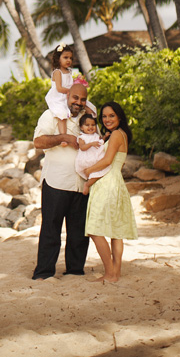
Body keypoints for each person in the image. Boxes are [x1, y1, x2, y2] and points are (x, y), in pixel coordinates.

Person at [32, 81, 90, 280]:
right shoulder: (51, 115)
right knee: (51, 229)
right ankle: (44, 272)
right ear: (67, 97)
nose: (78, 102)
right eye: (75, 98)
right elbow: (38, 142)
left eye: (83, 99)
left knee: (79, 231)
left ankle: (75, 271)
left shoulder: (88, 120)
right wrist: (62, 137)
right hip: (56, 181)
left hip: (81, 184)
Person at [83, 102, 138, 283]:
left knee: (94, 229)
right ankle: (115, 273)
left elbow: (107, 161)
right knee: (116, 231)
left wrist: (88, 170)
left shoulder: (115, 135)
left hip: (107, 183)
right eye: (104, 116)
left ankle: (109, 273)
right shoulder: (121, 134)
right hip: (116, 183)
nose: (107, 119)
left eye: (111, 116)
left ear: (119, 117)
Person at [75, 113, 110, 195]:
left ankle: (89, 185)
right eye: (87, 125)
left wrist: (105, 137)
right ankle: (87, 184)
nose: (90, 127)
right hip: (87, 159)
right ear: (81, 127)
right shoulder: (82, 137)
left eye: (93, 125)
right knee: (97, 172)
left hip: (96, 157)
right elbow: (82, 147)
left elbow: (100, 143)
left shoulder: (96, 136)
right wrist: (91, 144)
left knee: (99, 172)